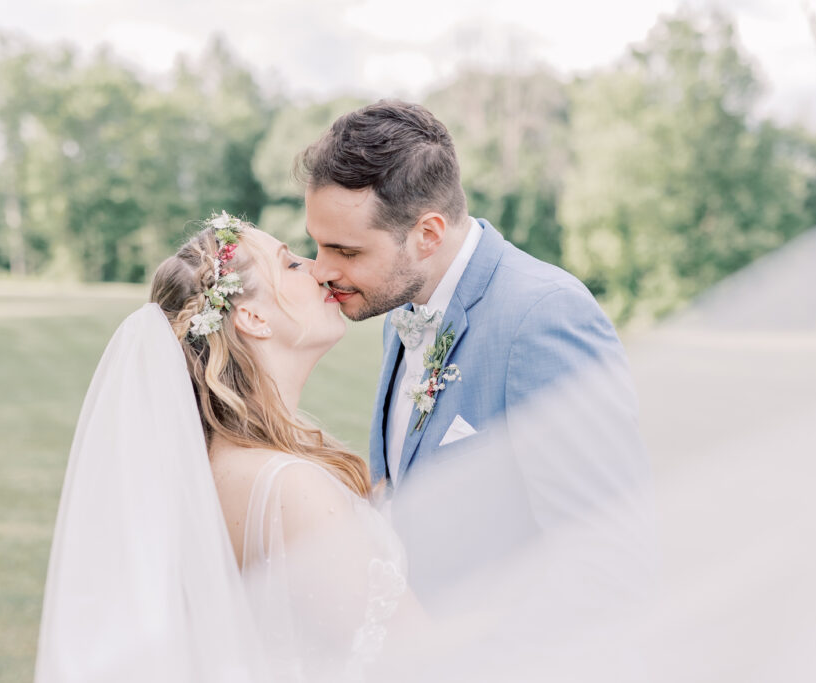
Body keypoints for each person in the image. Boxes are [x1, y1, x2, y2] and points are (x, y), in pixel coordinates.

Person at [35, 213, 422, 682]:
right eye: (291, 264)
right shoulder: (289, 487)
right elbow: (417, 661)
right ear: (253, 318)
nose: (318, 268)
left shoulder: (206, 467)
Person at [300, 100, 645, 597]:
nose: (320, 269)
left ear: (427, 234)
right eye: (318, 243)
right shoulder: (400, 311)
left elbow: (609, 564)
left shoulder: (544, 318)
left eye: (346, 251)